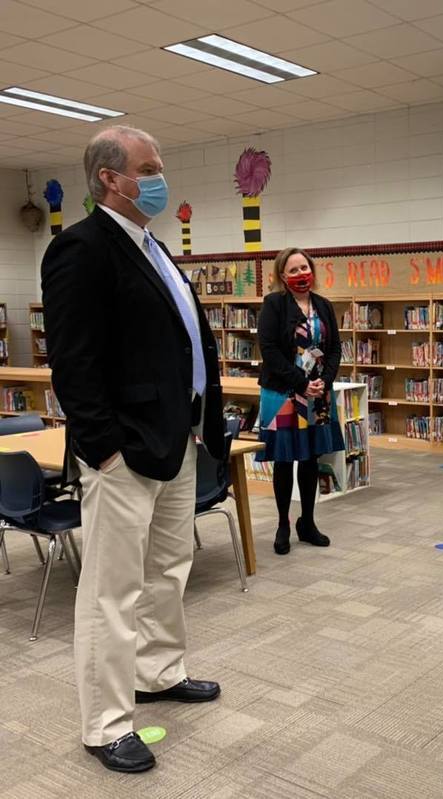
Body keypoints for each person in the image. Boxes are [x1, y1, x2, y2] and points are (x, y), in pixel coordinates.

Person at [41, 125, 225, 773]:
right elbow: (73, 360)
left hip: (177, 437)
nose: (159, 177)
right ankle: (105, 723)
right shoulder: (81, 248)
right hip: (123, 450)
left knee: (168, 569)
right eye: (148, 168)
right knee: (110, 590)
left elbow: (181, 340)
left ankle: (159, 671)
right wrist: (103, 448)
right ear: (109, 178)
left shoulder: (154, 247)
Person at [256, 248, 344, 555]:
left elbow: (335, 349)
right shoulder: (274, 304)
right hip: (283, 393)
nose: (300, 274)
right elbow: (269, 350)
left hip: (317, 394)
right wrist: (302, 383)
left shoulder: (323, 305)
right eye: (293, 270)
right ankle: (283, 524)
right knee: (284, 460)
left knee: (310, 458)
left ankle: (307, 522)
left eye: (304, 267)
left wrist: (324, 382)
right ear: (282, 275)